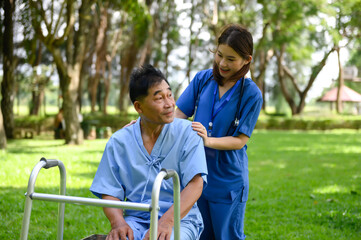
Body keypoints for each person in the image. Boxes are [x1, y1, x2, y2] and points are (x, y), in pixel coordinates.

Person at [90, 64, 208, 240]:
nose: (169, 104)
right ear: (139, 107)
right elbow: (109, 189)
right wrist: (118, 223)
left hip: (179, 220)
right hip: (136, 219)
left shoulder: (189, 133)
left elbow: (196, 184)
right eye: (159, 98)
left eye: (169, 95)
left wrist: (166, 223)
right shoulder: (119, 141)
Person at [175, 24, 263, 240]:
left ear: (247, 60)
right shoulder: (202, 79)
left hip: (228, 182)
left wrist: (207, 140)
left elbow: (240, 141)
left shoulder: (252, 94)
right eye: (219, 55)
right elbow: (177, 116)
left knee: (227, 236)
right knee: (199, 235)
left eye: (231, 59)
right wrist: (146, 123)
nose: (222, 63)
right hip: (196, 176)